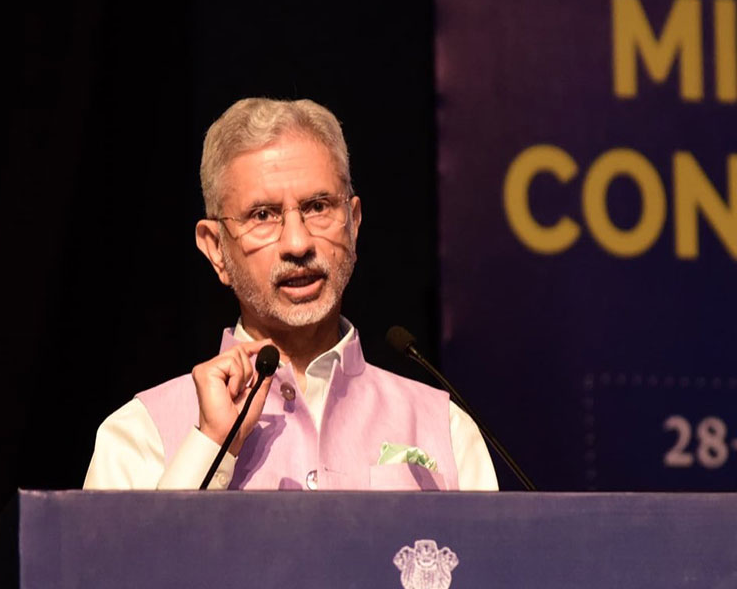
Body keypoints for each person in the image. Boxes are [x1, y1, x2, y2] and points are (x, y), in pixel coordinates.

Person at [84, 97, 497, 491]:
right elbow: (123, 566)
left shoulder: (447, 429)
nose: (298, 243)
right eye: (262, 215)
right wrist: (211, 445)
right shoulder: (138, 436)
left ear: (353, 224)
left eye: (318, 207)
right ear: (216, 249)